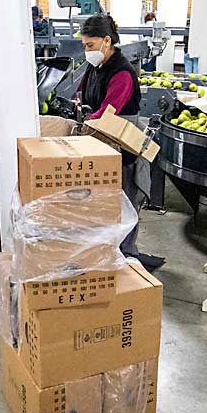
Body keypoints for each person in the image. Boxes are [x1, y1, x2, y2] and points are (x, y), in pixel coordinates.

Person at [77, 15, 164, 270]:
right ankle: (108, 251)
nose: (87, 51)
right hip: (101, 140)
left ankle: (127, 254)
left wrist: (85, 123)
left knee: (125, 200)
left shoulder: (122, 72)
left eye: (90, 45)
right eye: (84, 46)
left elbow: (108, 111)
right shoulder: (95, 66)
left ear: (107, 41)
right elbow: (81, 92)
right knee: (105, 201)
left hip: (122, 145)